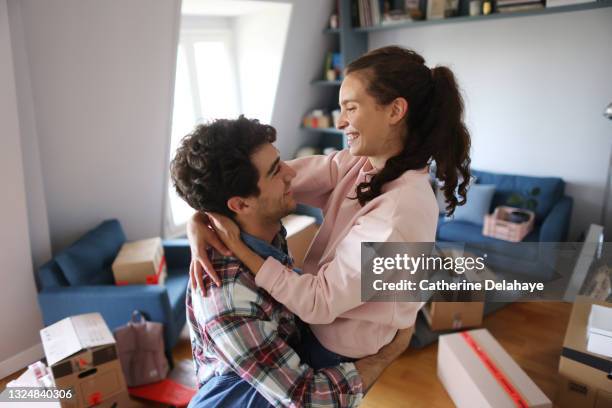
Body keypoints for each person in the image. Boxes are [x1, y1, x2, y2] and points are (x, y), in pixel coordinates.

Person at [189, 46, 471, 363]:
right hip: (317, 316)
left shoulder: (400, 211)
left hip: (338, 343)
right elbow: (263, 183)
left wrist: (238, 248)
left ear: (394, 111)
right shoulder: (361, 163)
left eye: (351, 108)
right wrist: (201, 218)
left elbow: (320, 302)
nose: (340, 122)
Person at [170, 116, 414, 407]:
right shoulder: (228, 298)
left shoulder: (263, 230)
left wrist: (197, 218)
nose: (291, 173)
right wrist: (388, 353)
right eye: (275, 171)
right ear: (240, 205)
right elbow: (309, 399)